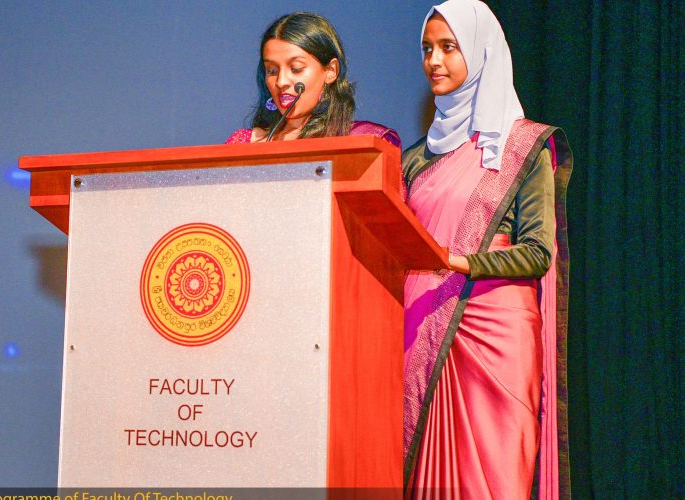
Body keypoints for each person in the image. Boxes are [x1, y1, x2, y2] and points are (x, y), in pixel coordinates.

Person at [401, 1, 572, 498]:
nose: (434, 60)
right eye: (427, 48)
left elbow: (537, 252)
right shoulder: (415, 159)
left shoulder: (523, 147)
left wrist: (457, 261)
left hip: (496, 336)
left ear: (481, 52)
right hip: (423, 324)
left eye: (449, 47)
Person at [226, 12, 400, 145]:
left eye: (296, 68)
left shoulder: (365, 141)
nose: (281, 82)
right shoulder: (243, 143)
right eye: (272, 70)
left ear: (331, 71)